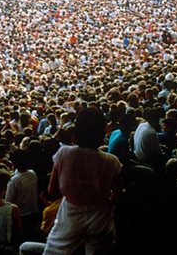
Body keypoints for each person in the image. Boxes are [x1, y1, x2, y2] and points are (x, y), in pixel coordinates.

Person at [43, 108, 122, 255]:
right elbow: (116, 198)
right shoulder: (112, 161)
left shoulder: (64, 153)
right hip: (100, 218)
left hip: (70, 217)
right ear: (101, 131)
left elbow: (52, 190)